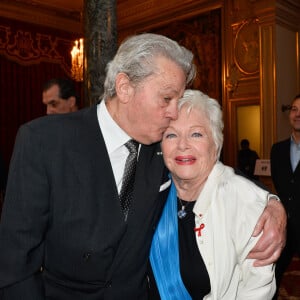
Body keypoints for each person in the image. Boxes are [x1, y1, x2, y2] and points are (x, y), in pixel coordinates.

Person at [0, 33, 285, 299]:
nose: (174, 112)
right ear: (124, 87)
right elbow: (15, 264)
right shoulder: (43, 141)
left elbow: (212, 171)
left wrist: (271, 204)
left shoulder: (163, 148)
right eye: (166, 98)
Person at [149, 89, 276, 299]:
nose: (182, 145)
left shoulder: (244, 200)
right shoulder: (152, 191)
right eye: (171, 134)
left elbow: (258, 288)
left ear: (216, 143)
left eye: (196, 134)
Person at [270, 93, 300, 299]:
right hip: (284, 228)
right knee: (272, 278)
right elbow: (279, 186)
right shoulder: (277, 150)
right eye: (295, 109)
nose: (298, 114)